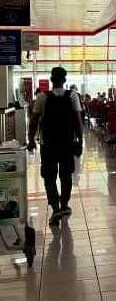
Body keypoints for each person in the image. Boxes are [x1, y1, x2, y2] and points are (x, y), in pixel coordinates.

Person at [27, 66, 83, 226]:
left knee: (49, 177)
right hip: (67, 143)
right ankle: (64, 205)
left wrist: (31, 139)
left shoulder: (42, 97)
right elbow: (78, 122)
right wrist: (80, 141)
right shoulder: (72, 96)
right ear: (64, 81)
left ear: (51, 81)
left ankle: (56, 208)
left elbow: (34, 121)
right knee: (66, 176)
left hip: (48, 145)